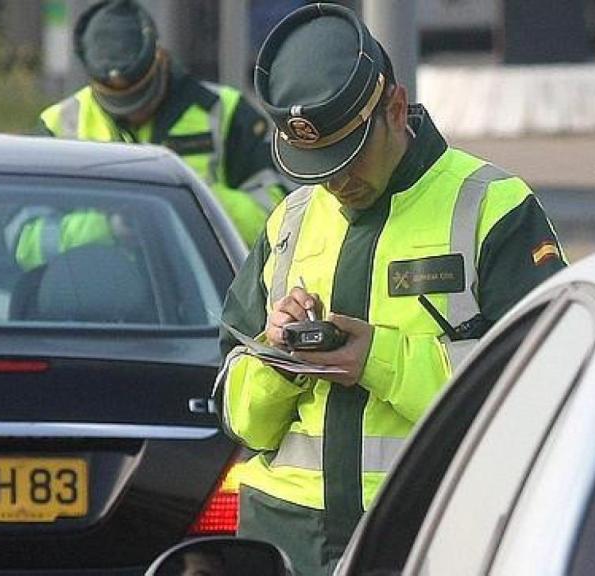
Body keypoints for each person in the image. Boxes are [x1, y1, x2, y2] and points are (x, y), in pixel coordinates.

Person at [213, 4, 567, 573]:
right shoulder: (289, 222)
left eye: (348, 156)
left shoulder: (492, 207)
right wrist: (277, 358)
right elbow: (239, 418)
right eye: (316, 164)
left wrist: (379, 359)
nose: (335, 181)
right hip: (285, 544)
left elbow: (541, 387)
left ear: (396, 108)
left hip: (430, 532)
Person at [28, 0, 285, 257]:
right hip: (87, 288)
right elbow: (28, 242)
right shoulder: (58, 126)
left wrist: (194, 200)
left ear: (159, 56)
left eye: (142, 95)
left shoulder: (224, 111)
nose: (135, 111)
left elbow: (278, 221)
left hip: (201, 288)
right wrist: (109, 223)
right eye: (119, 103)